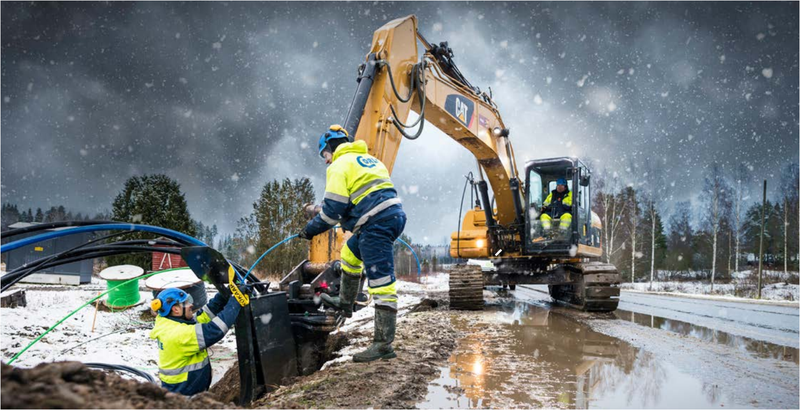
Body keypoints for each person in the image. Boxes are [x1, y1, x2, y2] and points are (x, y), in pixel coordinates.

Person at [298, 124, 406, 363]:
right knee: (349, 253)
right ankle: (345, 302)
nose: (326, 161)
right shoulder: (370, 160)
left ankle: (383, 344)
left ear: (330, 147)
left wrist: (309, 230)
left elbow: (332, 212)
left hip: (375, 223)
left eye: (324, 155)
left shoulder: (339, 165)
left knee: (381, 284)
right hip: (389, 216)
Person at [149, 287, 242, 396]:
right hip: (184, 395)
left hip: (183, 388)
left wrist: (223, 295)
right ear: (176, 310)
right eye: (186, 302)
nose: (191, 305)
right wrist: (235, 302)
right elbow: (214, 330)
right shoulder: (178, 334)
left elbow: (203, 317)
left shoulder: (169, 323)